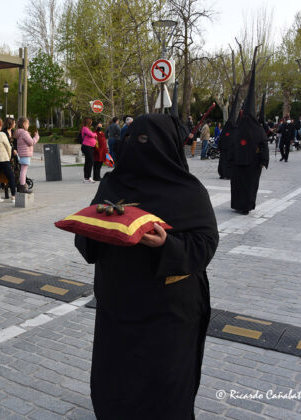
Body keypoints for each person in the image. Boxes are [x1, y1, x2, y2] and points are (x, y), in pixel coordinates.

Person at [75, 111, 218, 419]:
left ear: (166, 144)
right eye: (131, 139)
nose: (137, 146)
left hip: (168, 314)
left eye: (145, 140)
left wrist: (167, 245)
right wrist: (91, 230)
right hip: (118, 307)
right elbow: (92, 237)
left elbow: (205, 243)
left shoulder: (188, 191)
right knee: (117, 379)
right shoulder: (113, 184)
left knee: (164, 387)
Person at [228, 61, 269, 215]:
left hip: (245, 164)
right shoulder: (258, 130)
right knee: (245, 186)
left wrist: (230, 160)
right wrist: (263, 160)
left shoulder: (239, 129)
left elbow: (232, 146)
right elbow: (264, 145)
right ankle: (244, 205)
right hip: (247, 165)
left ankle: (242, 205)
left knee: (242, 186)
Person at [218, 89, 240, 180]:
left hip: (227, 150)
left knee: (225, 162)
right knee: (226, 162)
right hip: (227, 150)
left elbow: (221, 138)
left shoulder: (227, 128)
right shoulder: (234, 129)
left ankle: (224, 174)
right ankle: (225, 174)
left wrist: (220, 147)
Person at [14, 117, 38, 193]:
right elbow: (31, 142)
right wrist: (36, 137)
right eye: (28, 123)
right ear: (24, 124)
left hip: (22, 153)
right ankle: (22, 186)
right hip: (25, 153)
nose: (28, 125)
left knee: (23, 170)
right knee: (23, 171)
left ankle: (22, 185)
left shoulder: (19, 132)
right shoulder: (24, 133)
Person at [80, 117, 97, 183]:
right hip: (87, 147)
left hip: (89, 147)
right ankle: (88, 177)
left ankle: (86, 177)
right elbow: (91, 134)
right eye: (91, 121)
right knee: (90, 161)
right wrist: (95, 134)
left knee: (88, 162)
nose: (92, 122)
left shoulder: (88, 128)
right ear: (88, 122)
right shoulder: (84, 128)